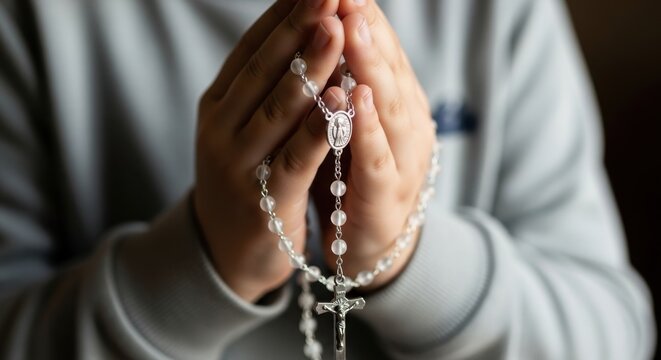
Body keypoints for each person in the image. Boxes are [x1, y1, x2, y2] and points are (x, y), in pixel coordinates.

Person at [0, 0, 655, 358]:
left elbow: (613, 334)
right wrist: (203, 261)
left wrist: (411, 260)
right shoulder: (39, 19)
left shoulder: (498, 14)